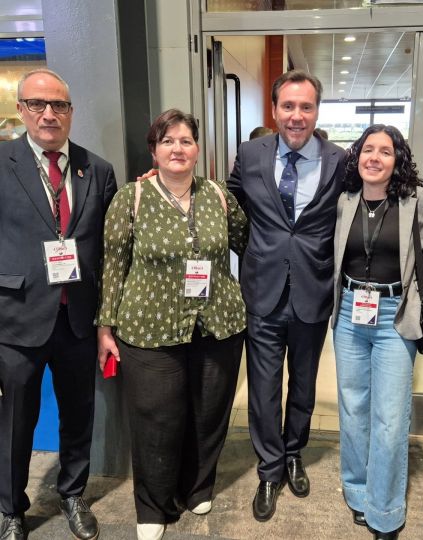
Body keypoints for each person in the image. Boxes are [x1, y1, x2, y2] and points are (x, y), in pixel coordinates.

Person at [97, 109, 247, 540]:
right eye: (168, 141)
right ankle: (153, 505)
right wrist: (104, 328)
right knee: (155, 420)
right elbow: (113, 265)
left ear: (198, 150)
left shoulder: (219, 196)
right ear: (154, 150)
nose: (177, 148)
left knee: (209, 414)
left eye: (185, 140)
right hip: (149, 328)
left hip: (217, 324)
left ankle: (197, 486)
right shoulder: (133, 197)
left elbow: (250, 242)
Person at [0, 69, 117, 540]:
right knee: (15, 421)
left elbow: (111, 248)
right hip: (17, 316)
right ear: (22, 110)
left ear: (71, 112)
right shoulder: (2, 161)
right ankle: (11, 508)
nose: (49, 114)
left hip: (78, 317)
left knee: (78, 414)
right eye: (38, 104)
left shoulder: (97, 169)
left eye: (59, 106)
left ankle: (72, 492)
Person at [228, 69, 346, 522]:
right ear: (274, 110)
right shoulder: (250, 153)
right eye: (288, 107)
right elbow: (227, 203)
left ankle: (295, 450)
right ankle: (270, 468)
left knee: (303, 382)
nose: (297, 116)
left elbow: (369, 200)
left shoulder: (340, 160)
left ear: (317, 111)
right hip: (262, 291)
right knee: (262, 388)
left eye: (306, 107)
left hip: (313, 291)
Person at [331, 125, 423, 540]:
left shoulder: (420, 200)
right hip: (351, 310)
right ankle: (356, 490)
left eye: (385, 151)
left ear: (398, 160)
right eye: (367, 150)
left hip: (396, 313)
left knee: (391, 417)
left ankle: (385, 510)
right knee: (353, 407)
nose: (374, 157)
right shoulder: (343, 202)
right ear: (357, 157)